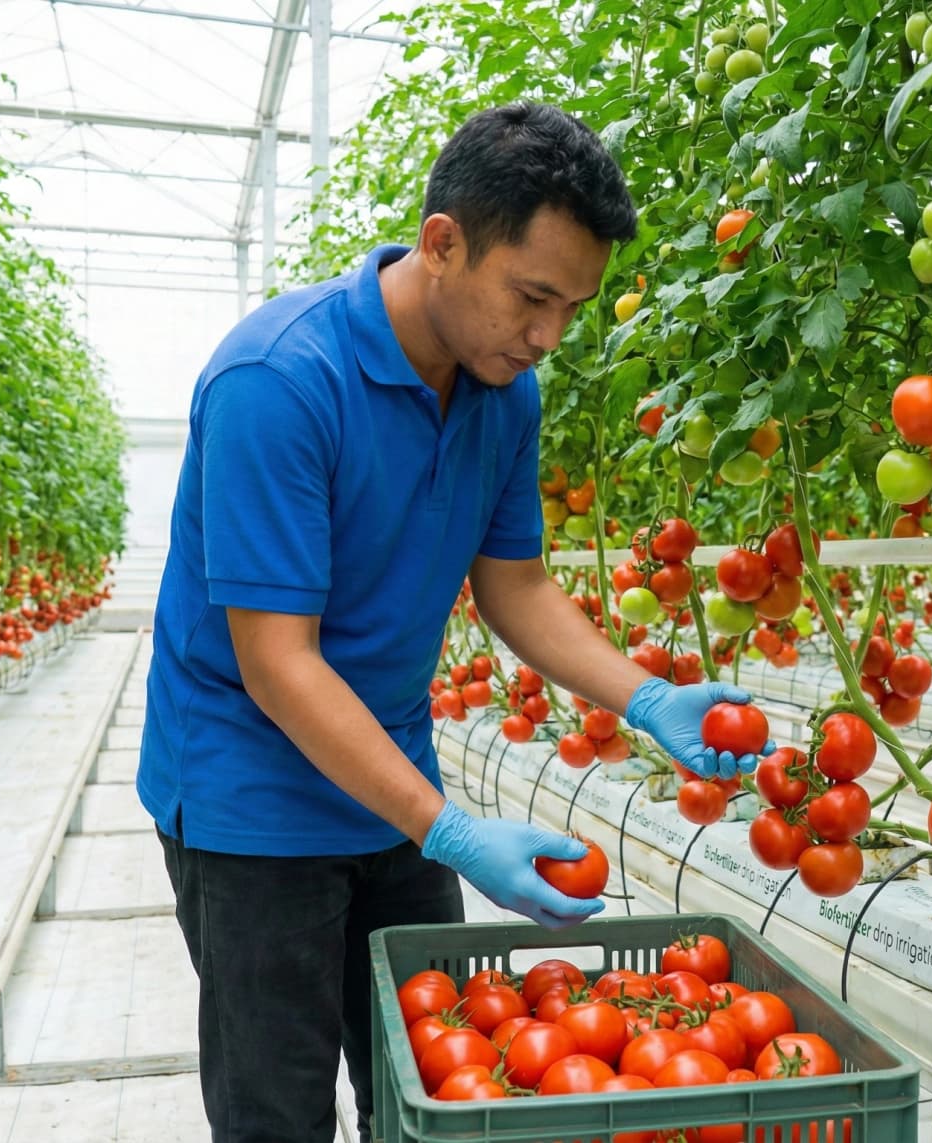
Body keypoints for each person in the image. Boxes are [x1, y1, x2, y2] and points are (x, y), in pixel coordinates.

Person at [138, 102, 772, 1143]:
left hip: (390, 780)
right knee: (276, 1113)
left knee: (430, 1088)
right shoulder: (278, 384)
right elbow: (277, 664)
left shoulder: (501, 391)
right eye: (532, 297)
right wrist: (451, 827)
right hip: (250, 801)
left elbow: (512, 584)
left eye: (570, 307)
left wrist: (645, 696)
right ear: (443, 243)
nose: (547, 337)